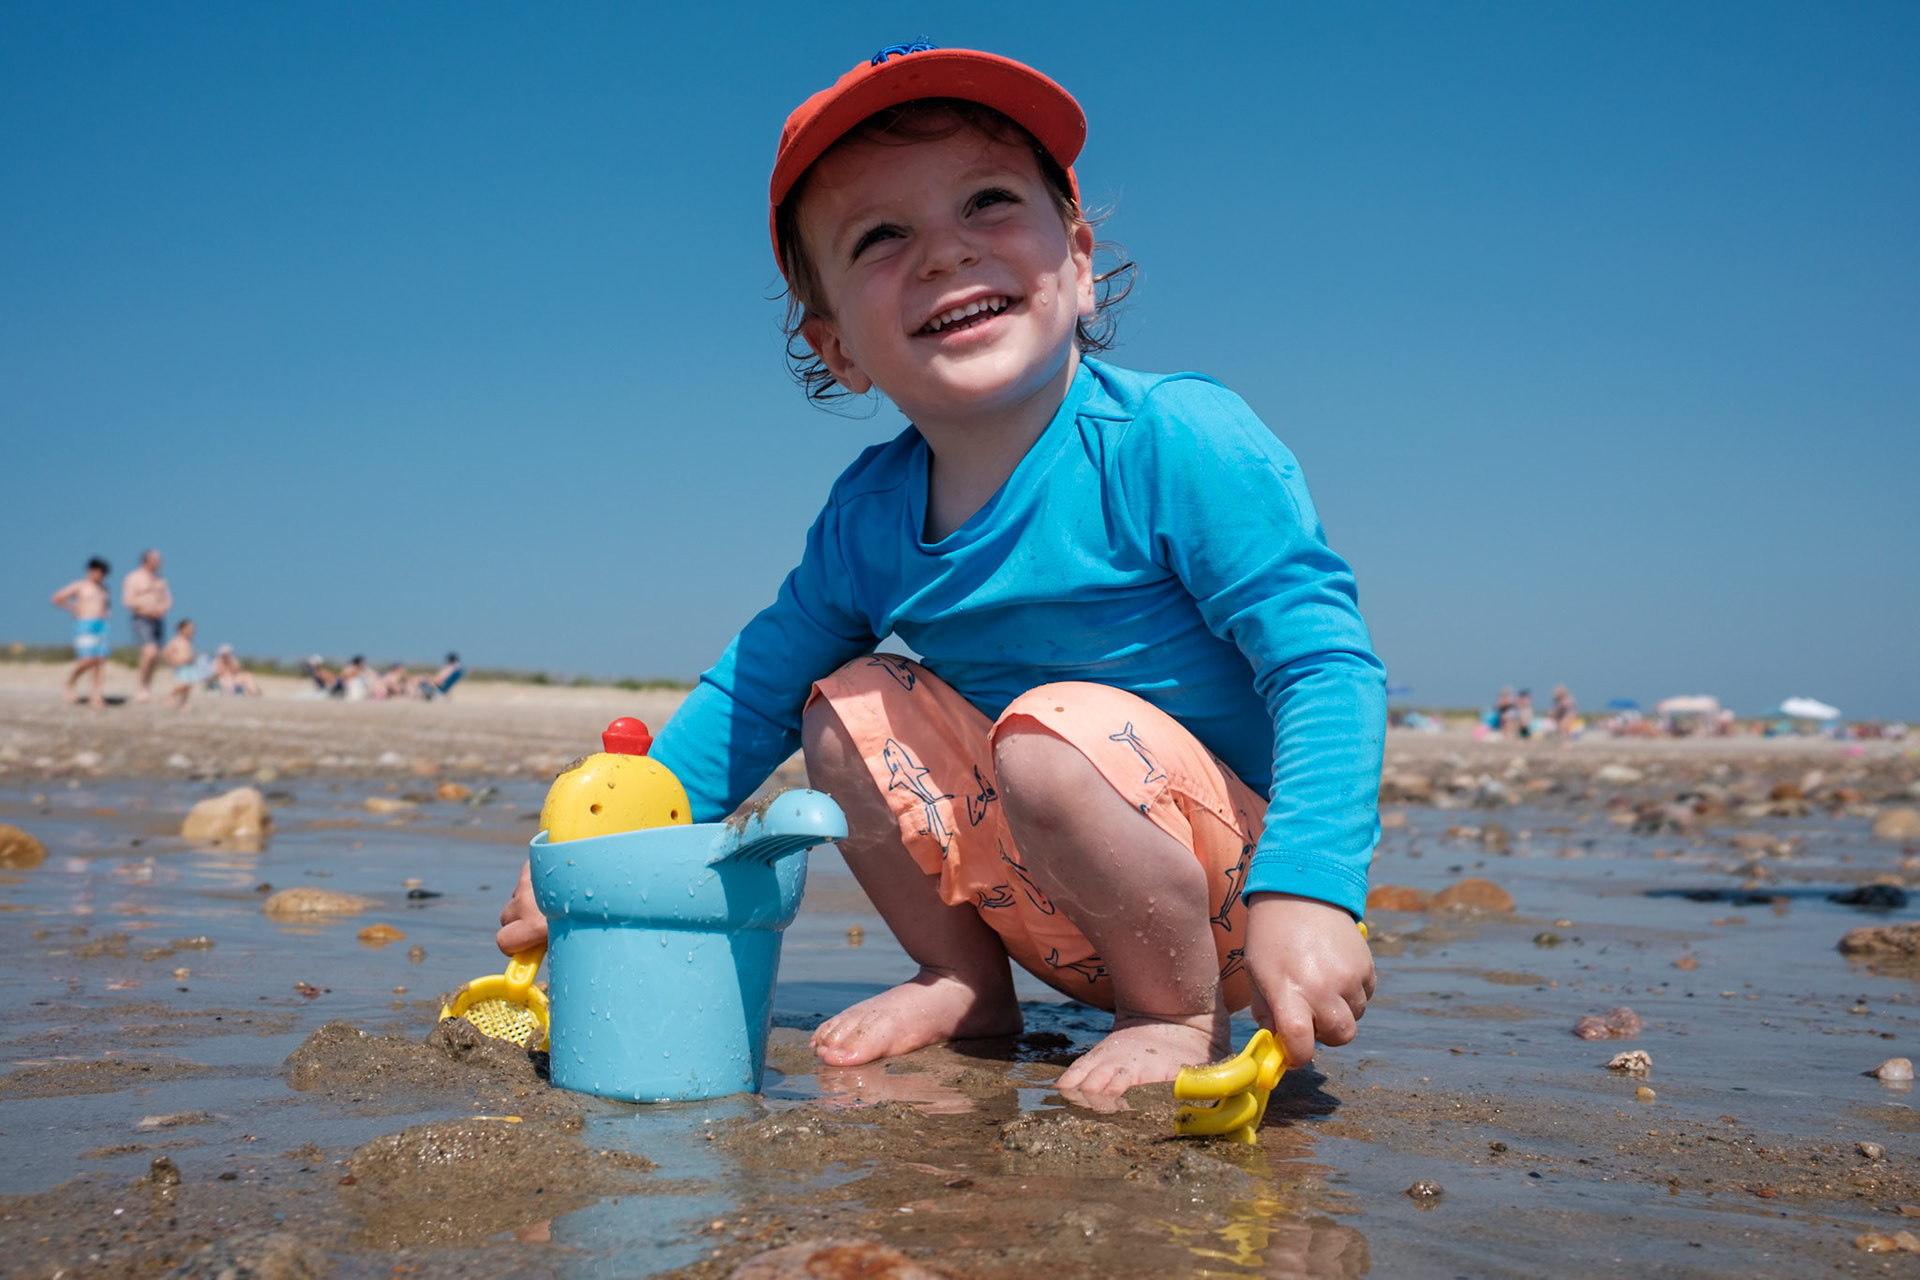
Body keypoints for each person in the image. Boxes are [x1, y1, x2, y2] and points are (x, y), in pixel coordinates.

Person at [496, 44, 1384, 1102]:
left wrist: (1311, 889)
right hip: (1042, 891)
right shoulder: (870, 516)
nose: (946, 253)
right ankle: (966, 979)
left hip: (1230, 908)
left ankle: (1172, 1014)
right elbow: (752, 691)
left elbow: (1325, 665)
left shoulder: (1175, 440)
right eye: (882, 237)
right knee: (839, 706)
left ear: (1082, 254)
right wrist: (605, 849)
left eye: (989, 203)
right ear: (838, 348)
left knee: (1054, 737)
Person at [50, 557, 112, 707]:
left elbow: (106, 605)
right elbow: (57, 598)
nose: (101, 575)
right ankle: (70, 682)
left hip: (101, 624)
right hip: (85, 623)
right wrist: (73, 607)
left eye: (103, 573)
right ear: (90, 571)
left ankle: (96, 695)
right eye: (99, 572)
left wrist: (105, 613)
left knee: (100, 660)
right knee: (87, 660)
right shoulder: (80, 586)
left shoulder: (104, 589)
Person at [121, 549, 173, 703]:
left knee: (156, 654)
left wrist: (163, 608)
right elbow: (128, 601)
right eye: (157, 560)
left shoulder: (160, 579)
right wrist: (147, 608)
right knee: (149, 651)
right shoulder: (133, 577)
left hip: (158, 619)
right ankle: (141, 688)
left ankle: (147, 688)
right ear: (146, 561)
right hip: (142, 618)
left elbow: (168, 598)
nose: (160, 563)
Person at [160, 619, 212, 710]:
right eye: (189, 629)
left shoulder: (189, 642)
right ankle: (171, 695)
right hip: (181, 666)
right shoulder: (176, 641)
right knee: (185, 684)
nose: (192, 632)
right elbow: (166, 652)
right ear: (181, 629)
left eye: (193, 630)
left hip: (190, 666)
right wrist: (173, 661)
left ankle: (183, 703)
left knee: (189, 686)